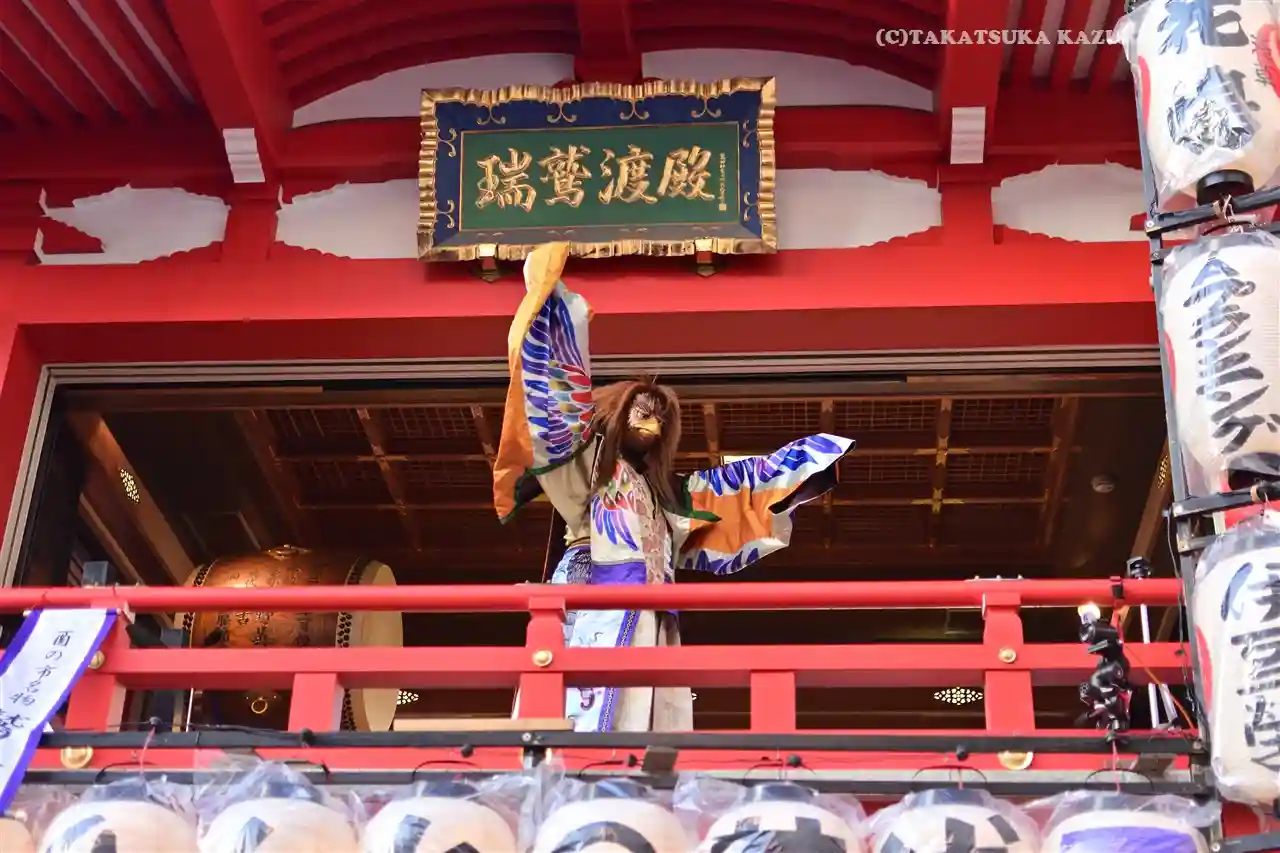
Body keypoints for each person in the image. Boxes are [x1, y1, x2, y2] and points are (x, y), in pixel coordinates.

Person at [494, 242, 854, 732]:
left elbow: (733, 493)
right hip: (595, 589)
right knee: (584, 710)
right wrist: (556, 310)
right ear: (617, 415)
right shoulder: (589, 463)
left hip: (655, 606)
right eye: (642, 413)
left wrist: (801, 467)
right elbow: (557, 408)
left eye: (661, 420)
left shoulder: (667, 495)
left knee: (652, 713)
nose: (653, 425)